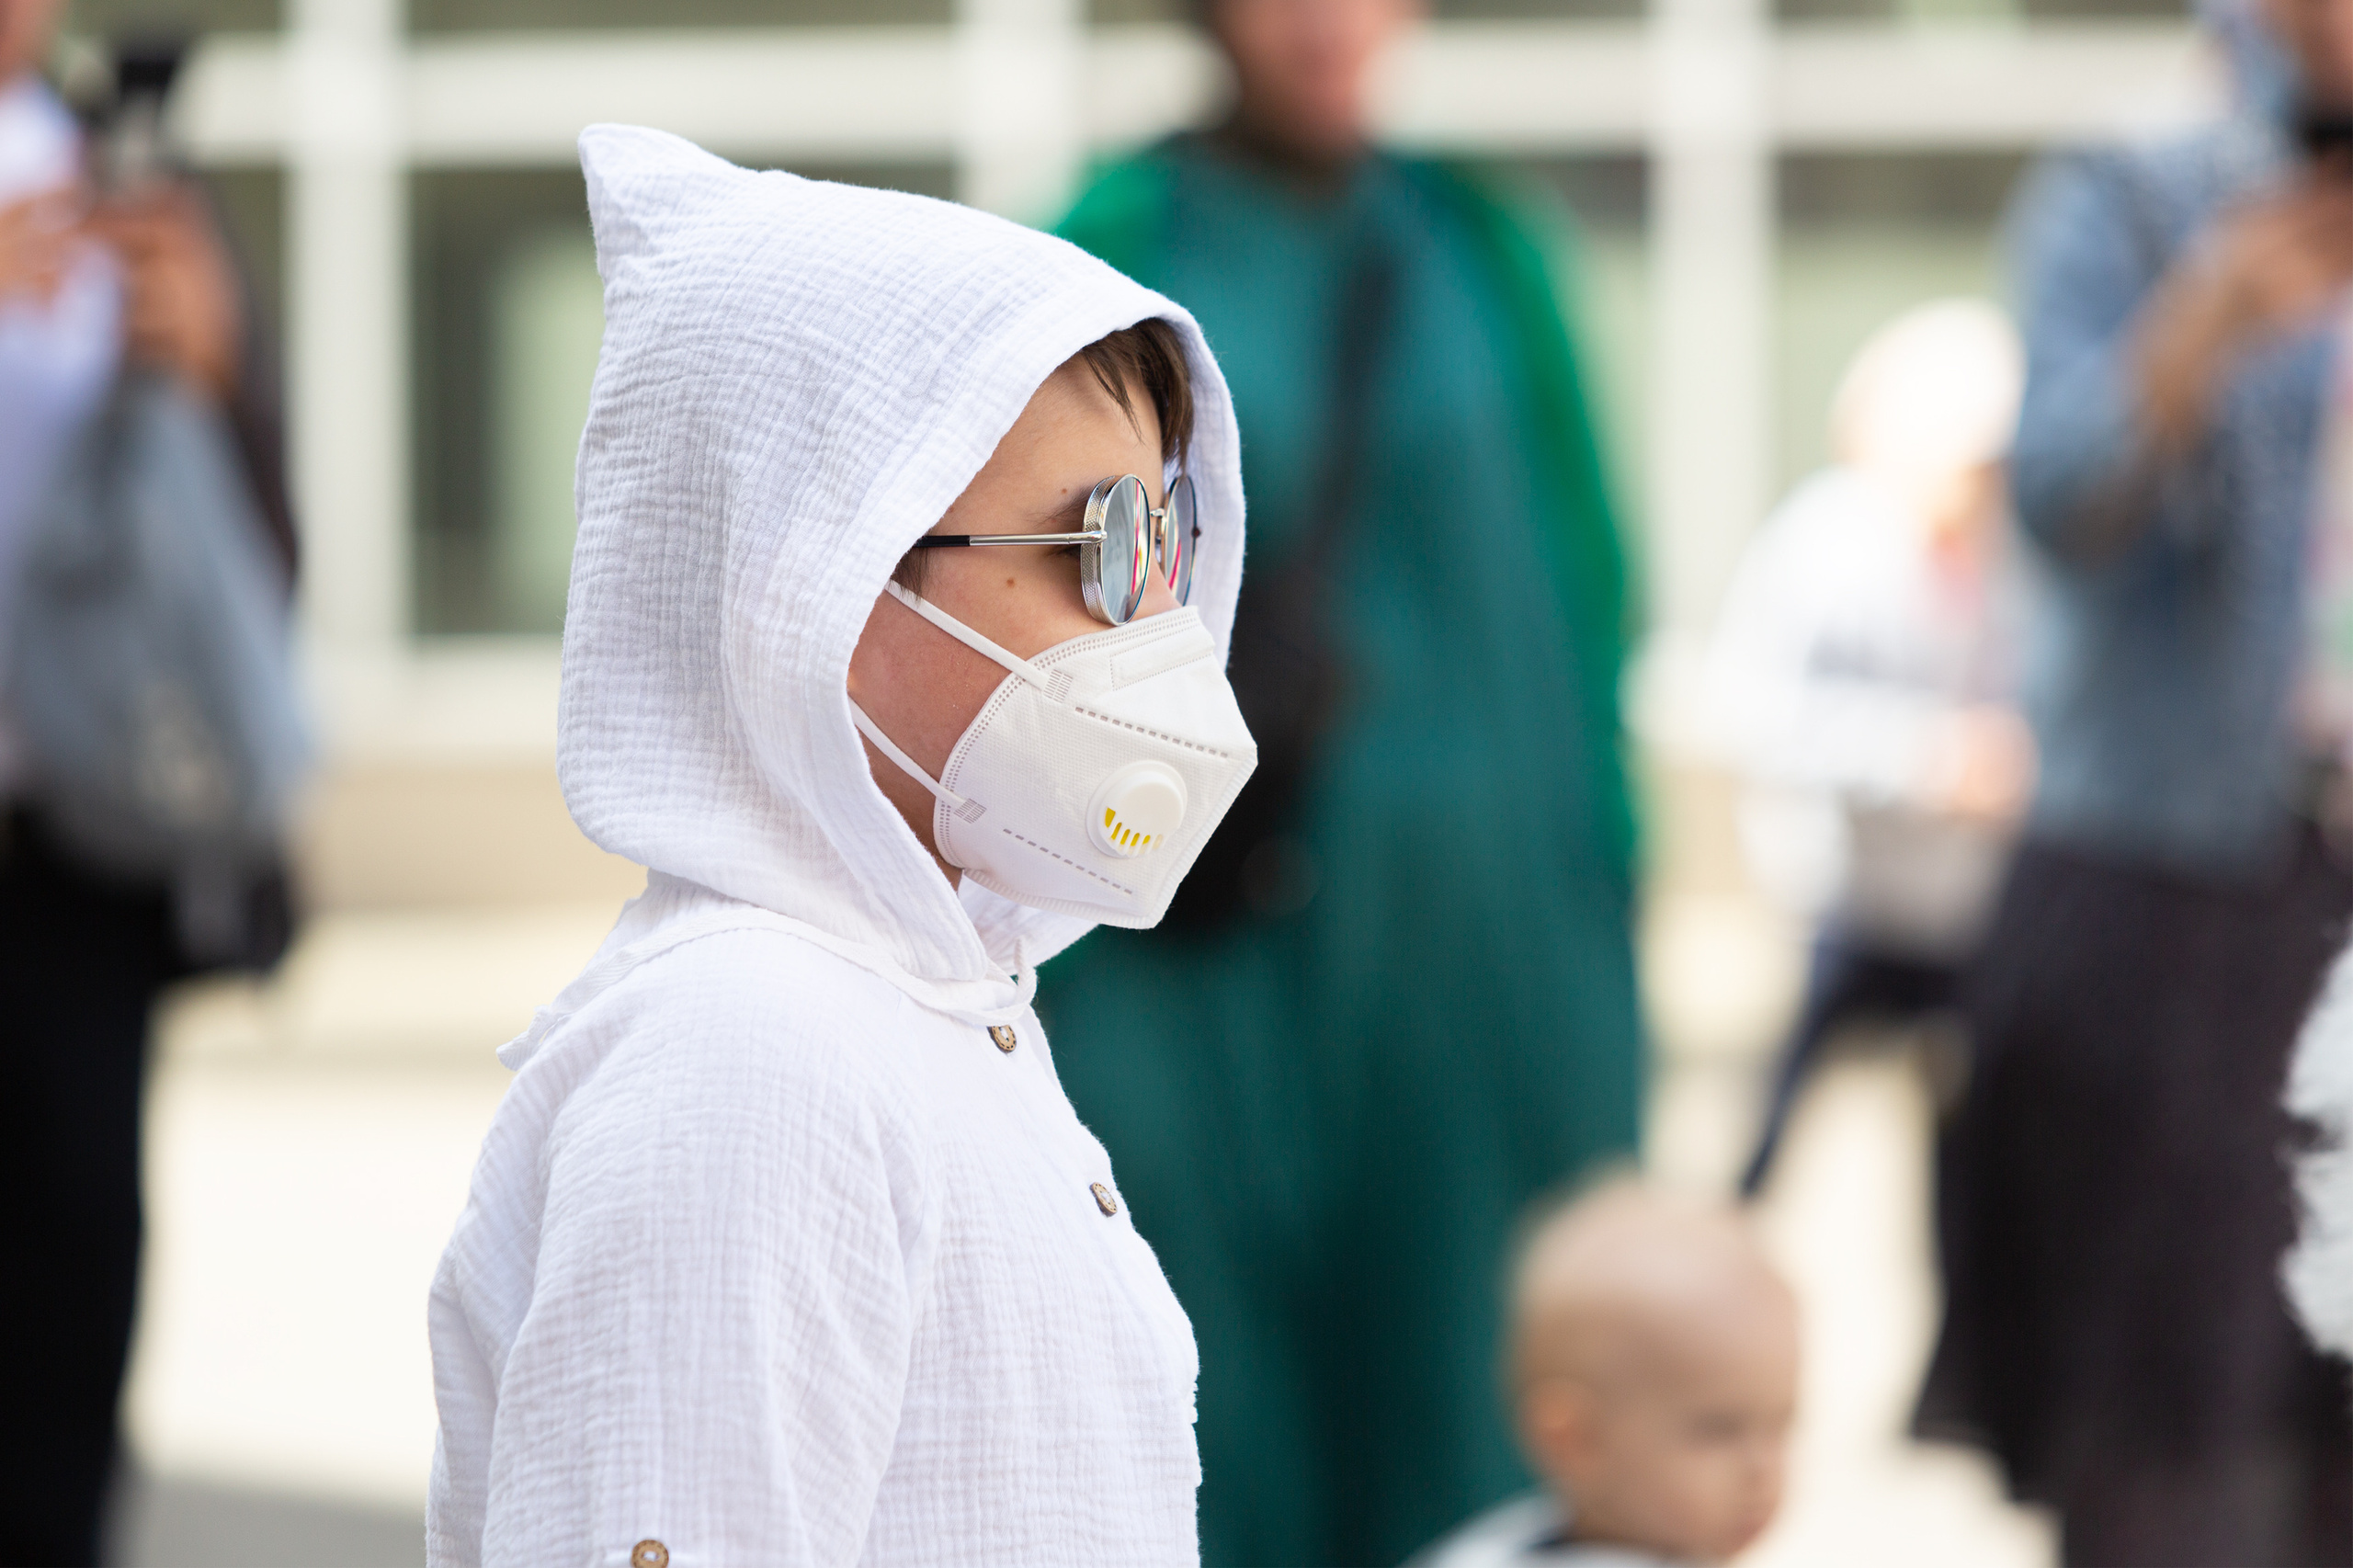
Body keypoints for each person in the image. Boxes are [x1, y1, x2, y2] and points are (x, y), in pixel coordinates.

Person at [427, 125, 1257, 1566]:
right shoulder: (749, 1050)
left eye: (1167, 538)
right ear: (822, 575)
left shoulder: (933, 1002)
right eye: (1101, 544)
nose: (1155, 622)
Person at [1042, 2, 1645, 1560]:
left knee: (1479, 1392)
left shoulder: (1481, 248)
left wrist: (1608, 905)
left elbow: (1588, 599)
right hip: (1200, 960)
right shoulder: (1104, 251)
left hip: (1480, 956)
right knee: (1208, 1389)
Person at [1915, 0, 2353, 1559]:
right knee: (2176, 1428)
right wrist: (2209, 318)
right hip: (2181, 878)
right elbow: (2057, 500)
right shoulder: (2141, 187)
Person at [0, 6, 295, 1562]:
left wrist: (213, 371)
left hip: (79, 849)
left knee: (64, 1292)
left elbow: (260, 544)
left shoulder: (136, 189)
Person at [1707, 300, 2030, 1199]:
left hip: (1967, 904)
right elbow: (1756, 707)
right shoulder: (1824, 544)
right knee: (1775, 1124)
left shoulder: (2015, 557)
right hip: (1848, 894)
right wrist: (1925, 760)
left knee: (1972, 1144)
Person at [1408, 1182, 1799, 1568]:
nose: (1762, 1470)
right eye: (1718, 1430)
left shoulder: (1490, 1543)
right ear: (1576, 1440)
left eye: (1782, 1424)